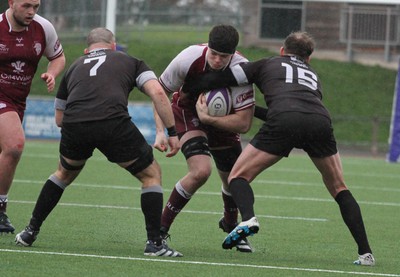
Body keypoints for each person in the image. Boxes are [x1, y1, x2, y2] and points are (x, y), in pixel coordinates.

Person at [182, 31, 375, 266]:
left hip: (284, 120)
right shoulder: (312, 75)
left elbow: (218, 80)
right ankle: (366, 253)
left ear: (282, 51)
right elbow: (297, 107)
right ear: (309, 58)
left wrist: (188, 89)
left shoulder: (268, 63)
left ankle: (249, 219)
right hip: (320, 121)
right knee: (339, 186)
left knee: (238, 176)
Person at [15, 27, 183, 257]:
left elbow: (59, 119)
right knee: (151, 175)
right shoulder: (130, 61)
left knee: (63, 173)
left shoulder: (74, 67)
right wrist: (171, 132)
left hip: (74, 124)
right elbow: (158, 93)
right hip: (112, 122)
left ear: (87, 49)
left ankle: (29, 232)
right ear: (113, 46)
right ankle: (154, 243)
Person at [153, 24, 257, 252]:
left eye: (224, 56)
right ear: (207, 46)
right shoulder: (188, 58)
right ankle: (158, 232)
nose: (218, 60)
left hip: (223, 119)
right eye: (214, 53)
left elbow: (244, 123)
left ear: (233, 54)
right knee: (201, 171)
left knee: (234, 178)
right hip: (187, 112)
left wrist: (210, 119)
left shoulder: (241, 70)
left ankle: (231, 226)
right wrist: (162, 131)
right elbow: (159, 92)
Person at [0, 0, 66, 233]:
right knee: (15, 145)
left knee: (7, 152)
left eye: (36, 6)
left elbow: (58, 57)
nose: (31, 12)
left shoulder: (43, 28)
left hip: (19, 101)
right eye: (26, 6)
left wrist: (51, 73)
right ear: (11, 3)